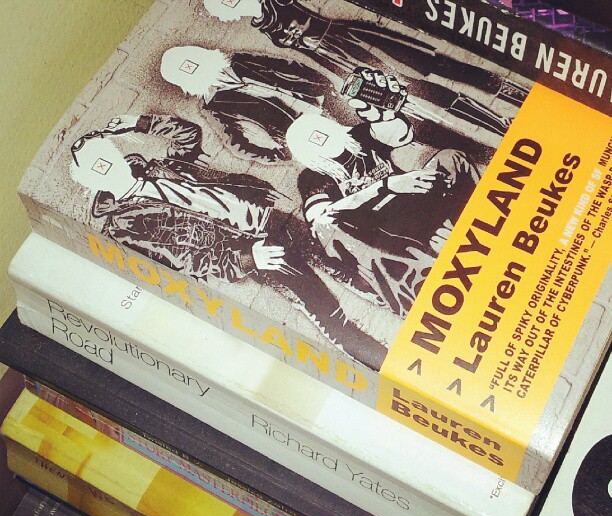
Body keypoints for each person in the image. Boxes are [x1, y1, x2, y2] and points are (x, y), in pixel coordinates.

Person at [70, 113, 388, 368]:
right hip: (257, 252)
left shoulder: (160, 169)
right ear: (90, 181)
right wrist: (248, 258)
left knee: (349, 267)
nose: (105, 164)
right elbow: (186, 260)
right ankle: (383, 362)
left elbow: (189, 135)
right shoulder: (123, 225)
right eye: (95, 166)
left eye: (105, 153)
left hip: (272, 217)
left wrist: (139, 123)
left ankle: (392, 305)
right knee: (328, 313)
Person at [287, 73, 480, 316]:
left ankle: (479, 221)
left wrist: (384, 117)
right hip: (385, 235)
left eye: (321, 132)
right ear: (306, 155)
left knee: (450, 159)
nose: (321, 139)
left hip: (418, 205)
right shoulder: (312, 179)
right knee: (350, 241)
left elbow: (399, 135)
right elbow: (321, 221)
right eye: (313, 140)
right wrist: (384, 186)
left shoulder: (359, 137)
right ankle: (429, 283)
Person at [201, 0, 527, 136]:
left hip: (352, 40)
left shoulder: (277, 5)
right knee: (425, 92)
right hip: (343, 59)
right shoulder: (265, 24)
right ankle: (499, 124)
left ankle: (513, 97)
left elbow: (302, 23)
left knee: (437, 66)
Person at [161, 45, 335, 163]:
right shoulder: (212, 106)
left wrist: (324, 88)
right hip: (298, 134)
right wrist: (280, 155)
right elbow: (237, 145)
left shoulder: (240, 60)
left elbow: (292, 67)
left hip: (320, 104)